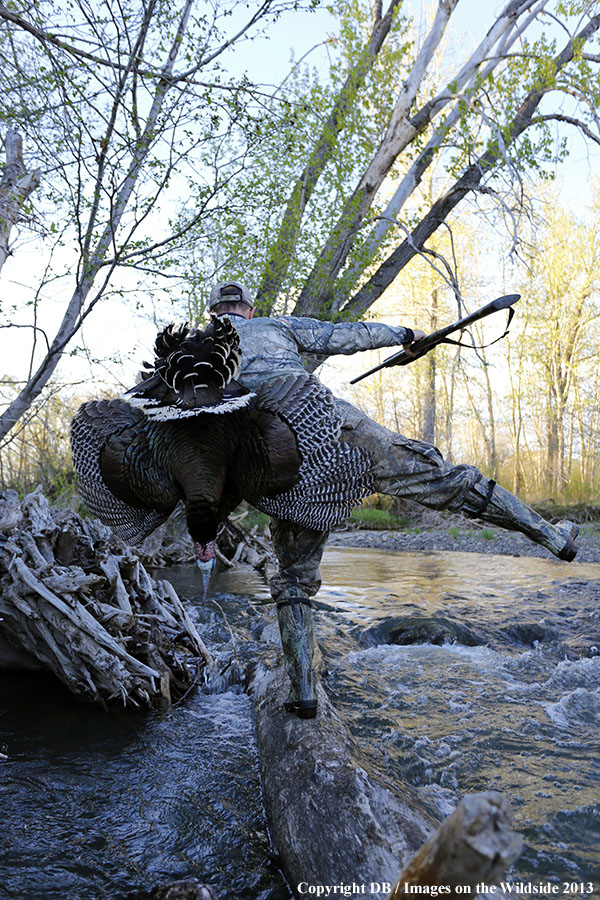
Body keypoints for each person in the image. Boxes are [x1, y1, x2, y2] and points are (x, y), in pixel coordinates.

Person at [207, 280, 579, 719]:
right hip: (333, 430)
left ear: (214, 313)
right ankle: (552, 537)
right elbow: (343, 336)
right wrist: (406, 335)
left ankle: (304, 693)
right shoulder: (274, 326)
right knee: (443, 480)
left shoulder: (194, 357)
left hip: (275, 468)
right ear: (249, 310)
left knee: (292, 581)